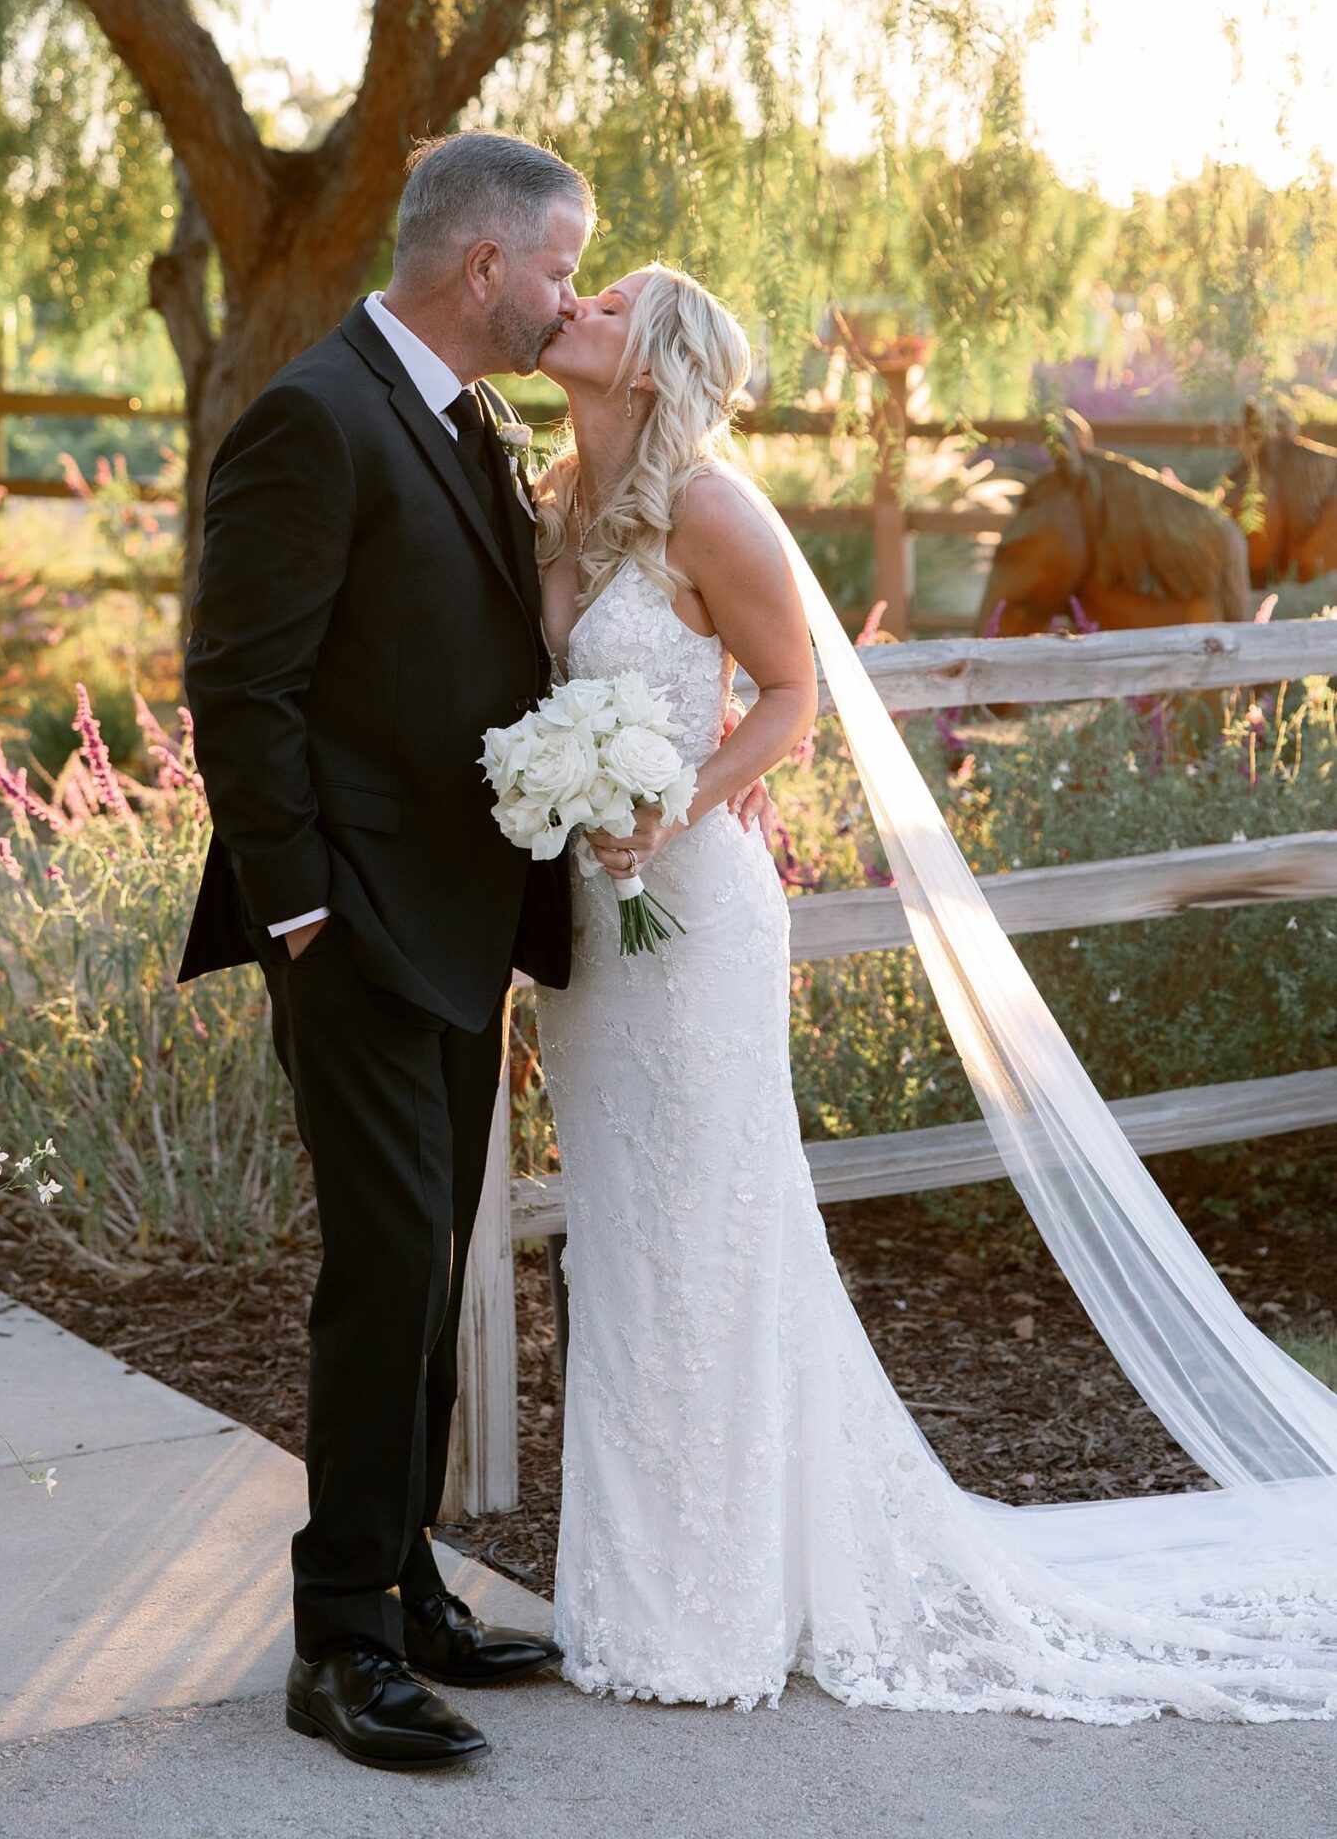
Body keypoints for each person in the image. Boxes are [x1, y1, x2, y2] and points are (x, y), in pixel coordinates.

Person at [534, 261, 1337, 1720]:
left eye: (605, 305)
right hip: (587, 940)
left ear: (648, 364)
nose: (573, 308)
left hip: (693, 916)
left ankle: (718, 1613)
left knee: (713, 1236)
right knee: (626, 1245)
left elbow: (786, 696)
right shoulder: (554, 504)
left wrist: (678, 806)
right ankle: (631, 1590)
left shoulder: (711, 508)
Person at [181, 131, 586, 1770]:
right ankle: (337, 1641)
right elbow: (241, 685)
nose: (569, 298)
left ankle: (405, 1583)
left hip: (460, 925)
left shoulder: (464, 418)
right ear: (482, 265)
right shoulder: (313, 417)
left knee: (425, 1282)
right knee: (381, 1281)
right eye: (559, 266)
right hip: (348, 932)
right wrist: (299, 917)